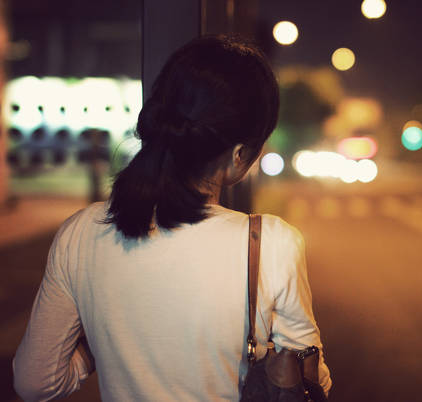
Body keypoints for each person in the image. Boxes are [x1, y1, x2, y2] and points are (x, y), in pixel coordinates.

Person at [13, 35, 331, 401]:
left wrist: (94, 347)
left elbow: (35, 382)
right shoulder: (271, 242)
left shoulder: (81, 232)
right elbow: (312, 381)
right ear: (239, 155)